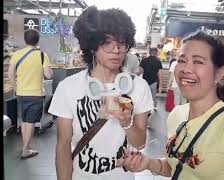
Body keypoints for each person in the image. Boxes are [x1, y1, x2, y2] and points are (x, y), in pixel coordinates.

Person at [118, 31, 224, 180]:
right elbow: (176, 167)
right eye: (182, 60)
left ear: (218, 74)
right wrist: (147, 162)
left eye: (198, 62)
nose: (186, 69)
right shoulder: (177, 114)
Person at [48, 6, 154, 180]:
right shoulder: (68, 87)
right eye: (107, 43)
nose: (117, 50)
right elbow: (63, 146)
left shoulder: (138, 87)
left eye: (122, 43)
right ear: (92, 46)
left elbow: (140, 143)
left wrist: (126, 122)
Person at [8, 29, 53, 159]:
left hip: (21, 94)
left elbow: (10, 74)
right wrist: (50, 72)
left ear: (25, 40)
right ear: (37, 40)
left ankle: (25, 147)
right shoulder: (42, 55)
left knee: (24, 121)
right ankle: (25, 149)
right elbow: (48, 75)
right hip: (36, 94)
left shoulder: (16, 54)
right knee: (31, 122)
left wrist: (16, 87)